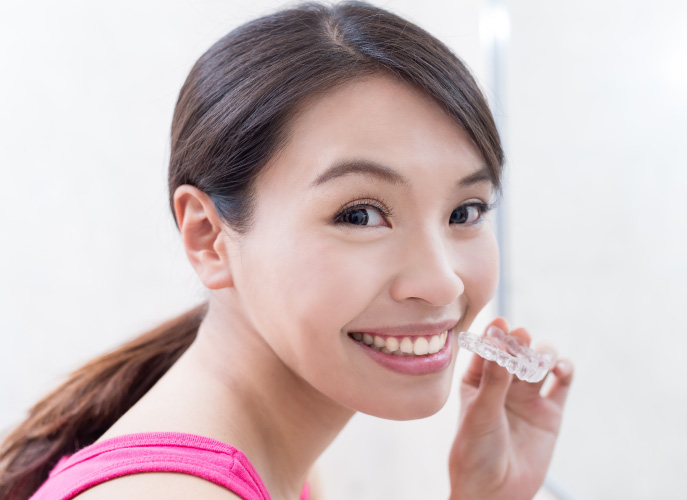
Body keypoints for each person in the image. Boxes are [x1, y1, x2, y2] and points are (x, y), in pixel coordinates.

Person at [0, 2, 574, 499]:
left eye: (464, 212)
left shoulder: (275, 458)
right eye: (360, 215)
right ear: (208, 236)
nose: (443, 282)